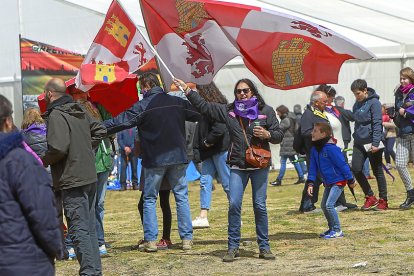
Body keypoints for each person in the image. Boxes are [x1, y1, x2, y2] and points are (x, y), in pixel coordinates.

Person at [174, 77, 284, 262]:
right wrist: (187, 90)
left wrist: (268, 134)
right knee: (234, 205)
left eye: (245, 90)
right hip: (238, 165)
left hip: (259, 165)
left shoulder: (266, 111)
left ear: (253, 92)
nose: (242, 94)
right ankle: (233, 247)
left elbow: (279, 135)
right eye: (238, 91)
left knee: (260, 205)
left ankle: (264, 247)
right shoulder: (230, 111)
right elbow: (205, 107)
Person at [104, 72, 201, 252]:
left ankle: (150, 240)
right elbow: (198, 113)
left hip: (155, 158)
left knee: (149, 198)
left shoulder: (143, 105)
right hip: (178, 156)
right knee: (181, 197)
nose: (141, 91)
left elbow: (121, 121)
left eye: (142, 88)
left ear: (147, 86)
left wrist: (97, 127)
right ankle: (187, 239)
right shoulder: (176, 102)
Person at [41, 78, 106, 275]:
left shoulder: (56, 115)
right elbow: (100, 129)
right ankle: (94, 271)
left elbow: (58, 148)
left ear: (50, 94)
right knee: (89, 229)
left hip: (72, 179)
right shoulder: (79, 111)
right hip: (88, 175)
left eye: (45, 94)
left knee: (79, 230)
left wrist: (42, 161)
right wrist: (84, 149)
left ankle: (89, 272)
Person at [0, 95, 62, 275]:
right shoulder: (20, 161)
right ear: (8, 122)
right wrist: (55, 248)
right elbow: (42, 215)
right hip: (23, 261)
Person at [68, 89, 114, 257]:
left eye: (82, 93)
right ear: (72, 96)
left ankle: (97, 240)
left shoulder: (99, 108)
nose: (80, 96)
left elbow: (111, 127)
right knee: (84, 204)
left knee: (98, 204)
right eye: (77, 93)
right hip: (86, 164)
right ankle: (81, 241)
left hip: (103, 161)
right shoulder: (71, 113)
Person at [191, 82, 231, 229]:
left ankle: (235, 215)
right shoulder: (206, 108)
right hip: (208, 152)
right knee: (205, 182)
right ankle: (203, 216)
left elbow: (219, 128)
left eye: (199, 91)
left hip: (219, 150)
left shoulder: (216, 106)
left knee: (227, 184)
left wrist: (208, 141)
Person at [306, 123, 355, 239]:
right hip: (328, 182)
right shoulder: (314, 149)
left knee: (329, 205)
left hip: (339, 180)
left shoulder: (332, 149)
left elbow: (342, 164)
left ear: (323, 134)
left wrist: (351, 179)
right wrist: (310, 183)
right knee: (324, 205)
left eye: (315, 131)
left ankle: (337, 230)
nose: (312, 133)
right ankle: (332, 228)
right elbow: (312, 167)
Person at [350, 79, 388, 210]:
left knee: (377, 171)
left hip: (373, 142)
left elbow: (377, 123)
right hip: (359, 142)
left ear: (365, 90)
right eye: (354, 94)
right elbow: (357, 123)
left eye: (358, 93)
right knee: (356, 169)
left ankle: (383, 200)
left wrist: (376, 143)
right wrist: (355, 136)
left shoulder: (375, 103)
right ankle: (370, 196)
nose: (356, 96)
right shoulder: (356, 104)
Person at [297, 91, 329, 213]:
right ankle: (307, 205)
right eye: (324, 101)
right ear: (316, 102)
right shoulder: (308, 114)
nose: (327, 104)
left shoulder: (320, 113)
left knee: (318, 178)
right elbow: (305, 132)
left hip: (321, 150)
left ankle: (309, 204)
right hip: (313, 150)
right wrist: (322, 133)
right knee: (314, 178)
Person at [392, 67, 414, 209]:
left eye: (404, 78)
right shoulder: (398, 92)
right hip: (402, 133)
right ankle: (411, 193)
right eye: (400, 78)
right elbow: (397, 109)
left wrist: (405, 112)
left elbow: (407, 111)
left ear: (411, 79)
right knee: (400, 164)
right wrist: (395, 115)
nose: (402, 81)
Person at [270, 105, 305, 186]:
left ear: (282, 112)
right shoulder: (291, 118)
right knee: (294, 161)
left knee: (283, 162)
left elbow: (279, 129)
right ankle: (301, 177)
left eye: (278, 112)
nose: (278, 114)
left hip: (287, 144)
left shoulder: (286, 120)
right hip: (291, 143)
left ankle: (279, 180)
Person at [293, 104, 307, 175]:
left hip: (301, 138)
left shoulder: (297, 118)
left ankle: (304, 170)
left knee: (300, 156)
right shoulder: (303, 117)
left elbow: (297, 129)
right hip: (304, 138)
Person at [382, 104, 396, 169]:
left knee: (390, 149)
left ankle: (397, 162)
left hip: (391, 135)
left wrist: (384, 123)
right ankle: (388, 164)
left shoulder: (393, 116)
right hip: (383, 135)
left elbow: (394, 125)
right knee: (385, 150)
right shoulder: (381, 116)